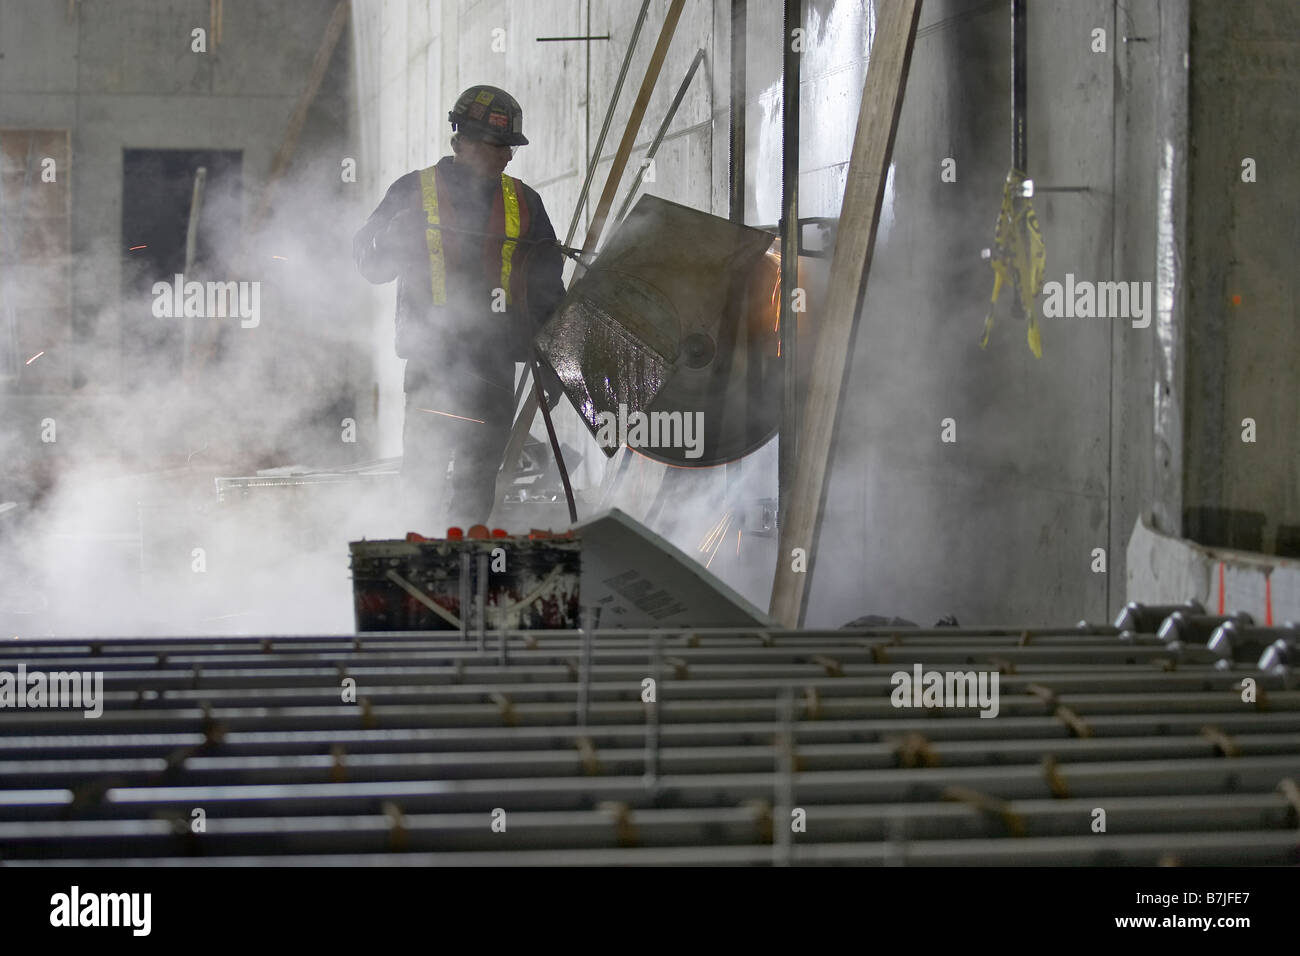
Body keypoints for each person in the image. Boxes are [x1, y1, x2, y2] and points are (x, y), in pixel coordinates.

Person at [354, 85, 566, 529]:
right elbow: (370, 264)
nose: (507, 157)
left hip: (493, 368)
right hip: (432, 364)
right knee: (423, 480)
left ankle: (464, 568)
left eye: (510, 147)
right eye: (498, 146)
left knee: (476, 485)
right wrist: (395, 235)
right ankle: (418, 566)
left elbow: (547, 286)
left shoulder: (526, 202)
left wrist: (557, 358)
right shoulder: (411, 191)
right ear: (461, 141)